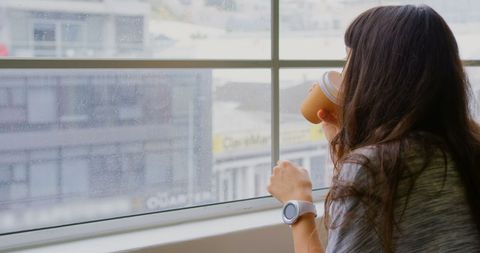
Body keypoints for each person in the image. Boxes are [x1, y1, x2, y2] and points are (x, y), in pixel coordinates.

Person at [267, 5, 480, 253]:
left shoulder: (372, 168)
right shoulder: (470, 148)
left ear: (373, 74)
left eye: (348, 61)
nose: (343, 74)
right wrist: (349, 148)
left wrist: (298, 203)